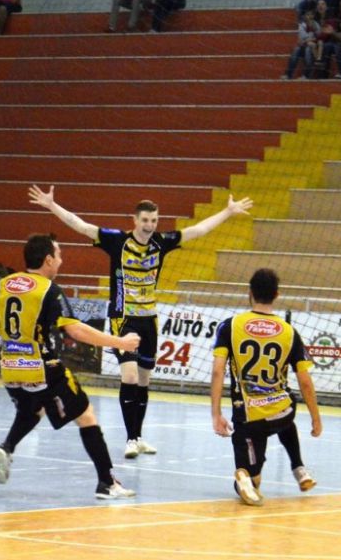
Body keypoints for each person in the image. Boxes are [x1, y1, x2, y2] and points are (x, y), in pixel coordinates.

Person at [28, 184, 253, 459]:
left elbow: (198, 231)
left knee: (144, 381)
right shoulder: (117, 241)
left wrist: (227, 212)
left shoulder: (161, 242)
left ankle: (138, 436)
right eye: (145, 220)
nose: (149, 225)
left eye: (154, 220)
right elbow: (82, 226)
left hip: (149, 320)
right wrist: (52, 205)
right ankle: (130, 439)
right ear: (135, 220)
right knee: (131, 376)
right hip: (123, 318)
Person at [0, 234, 141, 499]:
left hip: (10, 368)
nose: (61, 260)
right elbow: (75, 330)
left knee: (32, 410)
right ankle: (107, 483)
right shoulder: (49, 290)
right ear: (48, 260)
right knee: (86, 415)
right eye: (59, 255)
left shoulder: (4, 285)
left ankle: (8, 446)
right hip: (42, 367)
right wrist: (120, 342)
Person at [210, 268, 322, 506]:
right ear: (277, 294)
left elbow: (218, 371)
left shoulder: (230, 326)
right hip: (282, 411)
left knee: (251, 476)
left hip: (248, 418)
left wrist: (216, 414)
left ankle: (245, 477)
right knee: (286, 412)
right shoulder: (290, 332)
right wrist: (316, 418)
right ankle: (299, 468)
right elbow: (305, 382)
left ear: (249, 293)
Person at [282, 5, 322, 80]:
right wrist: (310, 40)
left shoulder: (316, 25)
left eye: (311, 15)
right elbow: (302, 40)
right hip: (303, 47)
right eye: (308, 15)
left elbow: (319, 37)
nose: (309, 16)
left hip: (313, 49)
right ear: (305, 16)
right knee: (296, 49)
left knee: (308, 49)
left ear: (313, 16)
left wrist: (311, 37)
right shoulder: (302, 25)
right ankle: (288, 75)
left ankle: (306, 75)